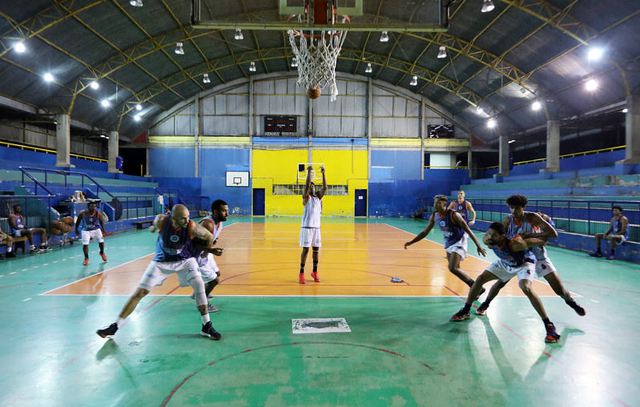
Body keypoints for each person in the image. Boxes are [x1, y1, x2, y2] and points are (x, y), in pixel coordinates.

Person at [96, 204, 221, 340]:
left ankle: (206, 325)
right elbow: (155, 227)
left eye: (188, 217)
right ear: (173, 217)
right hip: (161, 262)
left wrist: (205, 252)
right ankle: (115, 326)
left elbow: (209, 237)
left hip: (184, 260)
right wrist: (154, 228)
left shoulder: (191, 226)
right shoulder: (161, 220)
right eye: (183, 219)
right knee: (140, 292)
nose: (187, 221)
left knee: (199, 285)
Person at [450, 222, 561, 344]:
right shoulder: (489, 240)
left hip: (524, 263)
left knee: (525, 288)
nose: (490, 237)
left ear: (503, 236)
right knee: (481, 279)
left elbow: (542, 241)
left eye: (494, 235)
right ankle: (466, 310)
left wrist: (540, 234)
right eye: (489, 233)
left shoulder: (516, 243)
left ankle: (549, 326)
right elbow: (486, 238)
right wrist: (488, 237)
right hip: (506, 263)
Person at [475, 205, 585, 317]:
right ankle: (486, 303)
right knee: (500, 282)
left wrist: (529, 237)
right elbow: (500, 235)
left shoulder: (544, 223)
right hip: (518, 257)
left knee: (558, 288)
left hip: (538, 257)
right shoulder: (511, 220)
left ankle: (571, 302)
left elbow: (546, 239)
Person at [405, 195, 487, 289]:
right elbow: (425, 232)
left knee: (452, 268)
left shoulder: (454, 214)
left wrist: (478, 245)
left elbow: (468, 230)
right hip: (449, 241)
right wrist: (411, 242)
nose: (435, 204)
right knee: (456, 268)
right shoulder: (435, 215)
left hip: (460, 240)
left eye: (438, 203)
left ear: (445, 204)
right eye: (435, 202)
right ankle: (475, 287)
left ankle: (476, 287)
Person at [187, 199, 228, 313]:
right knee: (214, 281)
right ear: (215, 212)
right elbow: (193, 245)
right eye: (224, 211)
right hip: (196, 255)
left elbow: (209, 239)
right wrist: (212, 250)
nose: (227, 214)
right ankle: (203, 303)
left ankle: (197, 292)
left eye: (227, 211)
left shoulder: (219, 223)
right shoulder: (207, 224)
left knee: (216, 273)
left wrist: (212, 245)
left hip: (206, 253)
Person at [299, 165, 326, 284]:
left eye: (313, 186)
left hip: (316, 229)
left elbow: (325, 188)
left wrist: (324, 173)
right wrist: (309, 173)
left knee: (316, 250)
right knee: (306, 250)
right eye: (311, 186)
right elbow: (306, 187)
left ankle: (314, 271)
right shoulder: (306, 198)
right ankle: (301, 273)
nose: (312, 187)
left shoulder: (318, 198)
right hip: (306, 228)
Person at [75, 201, 107, 266]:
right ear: (88, 207)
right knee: (85, 244)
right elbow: (78, 222)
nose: (93, 207)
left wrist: (103, 230)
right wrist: (76, 229)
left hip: (96, 229)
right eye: (92, 206)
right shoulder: (82, 213)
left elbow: (101, 221)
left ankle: (102, 252)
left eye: (94, 206)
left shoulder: (98, 213)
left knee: (101, 241)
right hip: (85, 230)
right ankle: (86, 258)